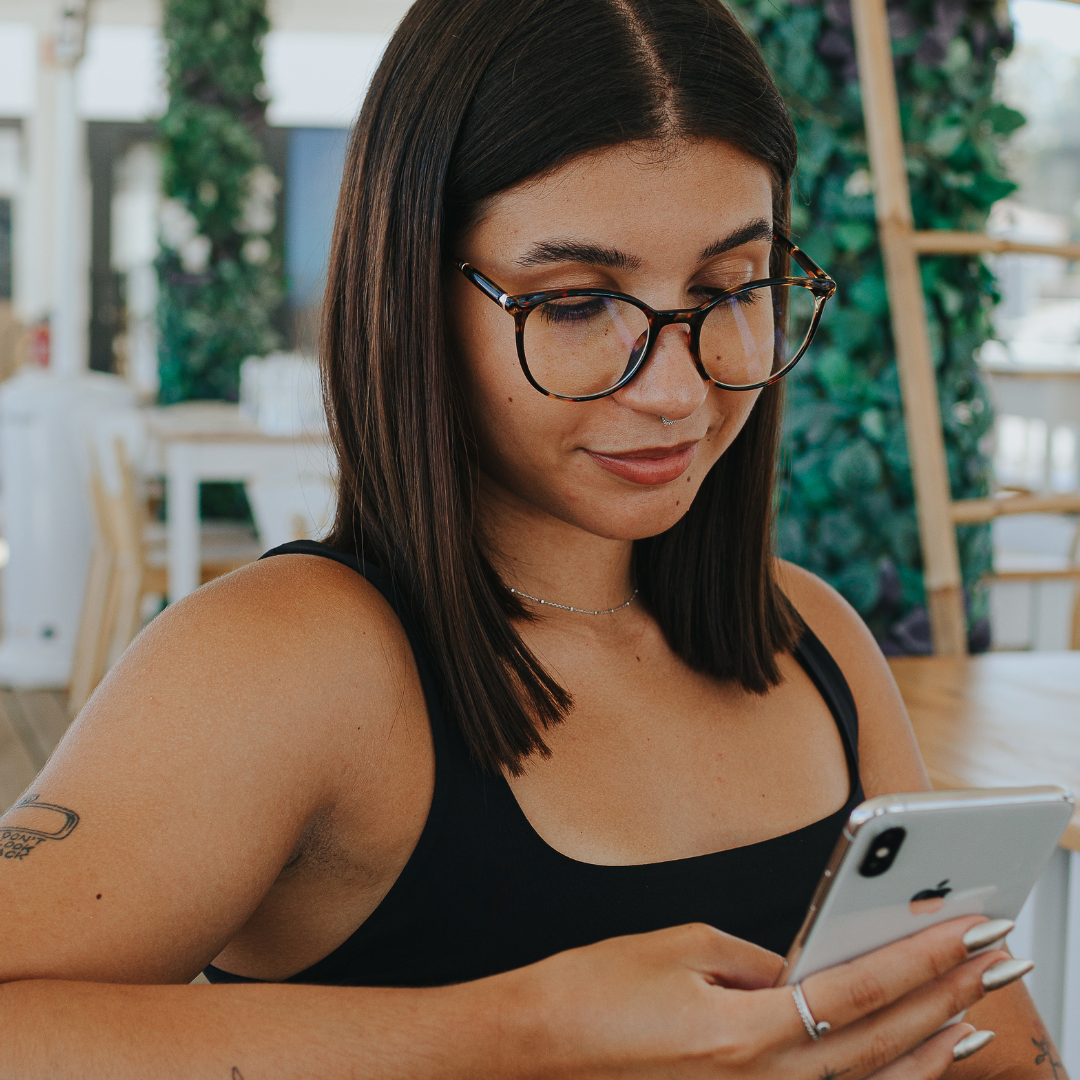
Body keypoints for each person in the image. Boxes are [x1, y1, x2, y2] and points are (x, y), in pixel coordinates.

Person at [0, 0, 1056, 1076]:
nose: (678, 389)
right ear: (414, 291)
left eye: (730, 287)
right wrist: (524, 1034)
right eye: (575, 302)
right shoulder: (290, 664)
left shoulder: (813, 642)